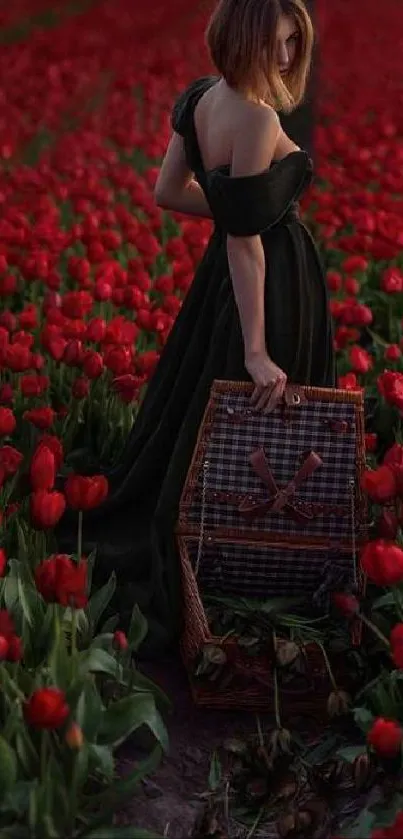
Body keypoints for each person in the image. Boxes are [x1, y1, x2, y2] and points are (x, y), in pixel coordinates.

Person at [60, 0, 335, 656]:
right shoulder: (260, 118)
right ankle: (252, 556)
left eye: (296, 42)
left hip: (221, 280)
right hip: (270, 285)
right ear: (245, 37)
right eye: (279, 41)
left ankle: (226, 542)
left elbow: (167, 191)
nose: (290, 56)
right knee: (264, 410)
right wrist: (259, 347)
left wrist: (230, 211)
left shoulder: (203, 100)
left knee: (203, 406)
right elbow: (247, 245)